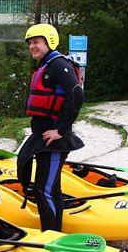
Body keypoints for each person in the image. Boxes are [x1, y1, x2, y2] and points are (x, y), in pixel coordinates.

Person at [16, 23, 85, 232]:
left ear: (49, 42)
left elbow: (77, 93)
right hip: (43, 139)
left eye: (36, 42)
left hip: (54, 141)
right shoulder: (46, 65)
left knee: (44, 190)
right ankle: (55, 234)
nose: (32, 46)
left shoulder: (57, 64)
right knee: (52, 189)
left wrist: (61, 131)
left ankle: (51, 237)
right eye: (30, 43)